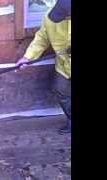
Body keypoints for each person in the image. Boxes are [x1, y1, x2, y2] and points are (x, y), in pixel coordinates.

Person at [16, 0, 71, 134]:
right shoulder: (50, 17)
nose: (59, 17)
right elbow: (41, 39)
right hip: (64, 64)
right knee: (61, 89)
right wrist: (27, 58)